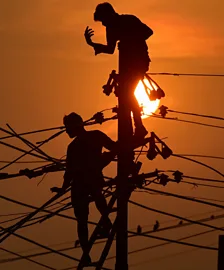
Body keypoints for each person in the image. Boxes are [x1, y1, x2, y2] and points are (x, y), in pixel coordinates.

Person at [51, 112, 116, 265]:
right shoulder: (96, 136)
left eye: (68, 128)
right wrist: (106, 158)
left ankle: (86, 252)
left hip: (81, 184)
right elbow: (115, 147)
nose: (66, 131)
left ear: (75, 126)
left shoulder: (74, 146)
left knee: (82, 221)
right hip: (91, 181)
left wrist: (63, 188)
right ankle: (106, 223)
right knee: (96, 198)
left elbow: (69, 172)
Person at [84, 2, 153, 140]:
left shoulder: (129, 20)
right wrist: (91, 44)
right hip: (126, 66)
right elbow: (110, 49)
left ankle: (139, 127)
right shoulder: (111, 29)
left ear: (109, 15)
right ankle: (138, 127)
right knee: (125, 94)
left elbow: (148, 32)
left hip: (139, 62)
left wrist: (130, 40)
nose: (103, 24)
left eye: (103, 20)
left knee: (127, 93)